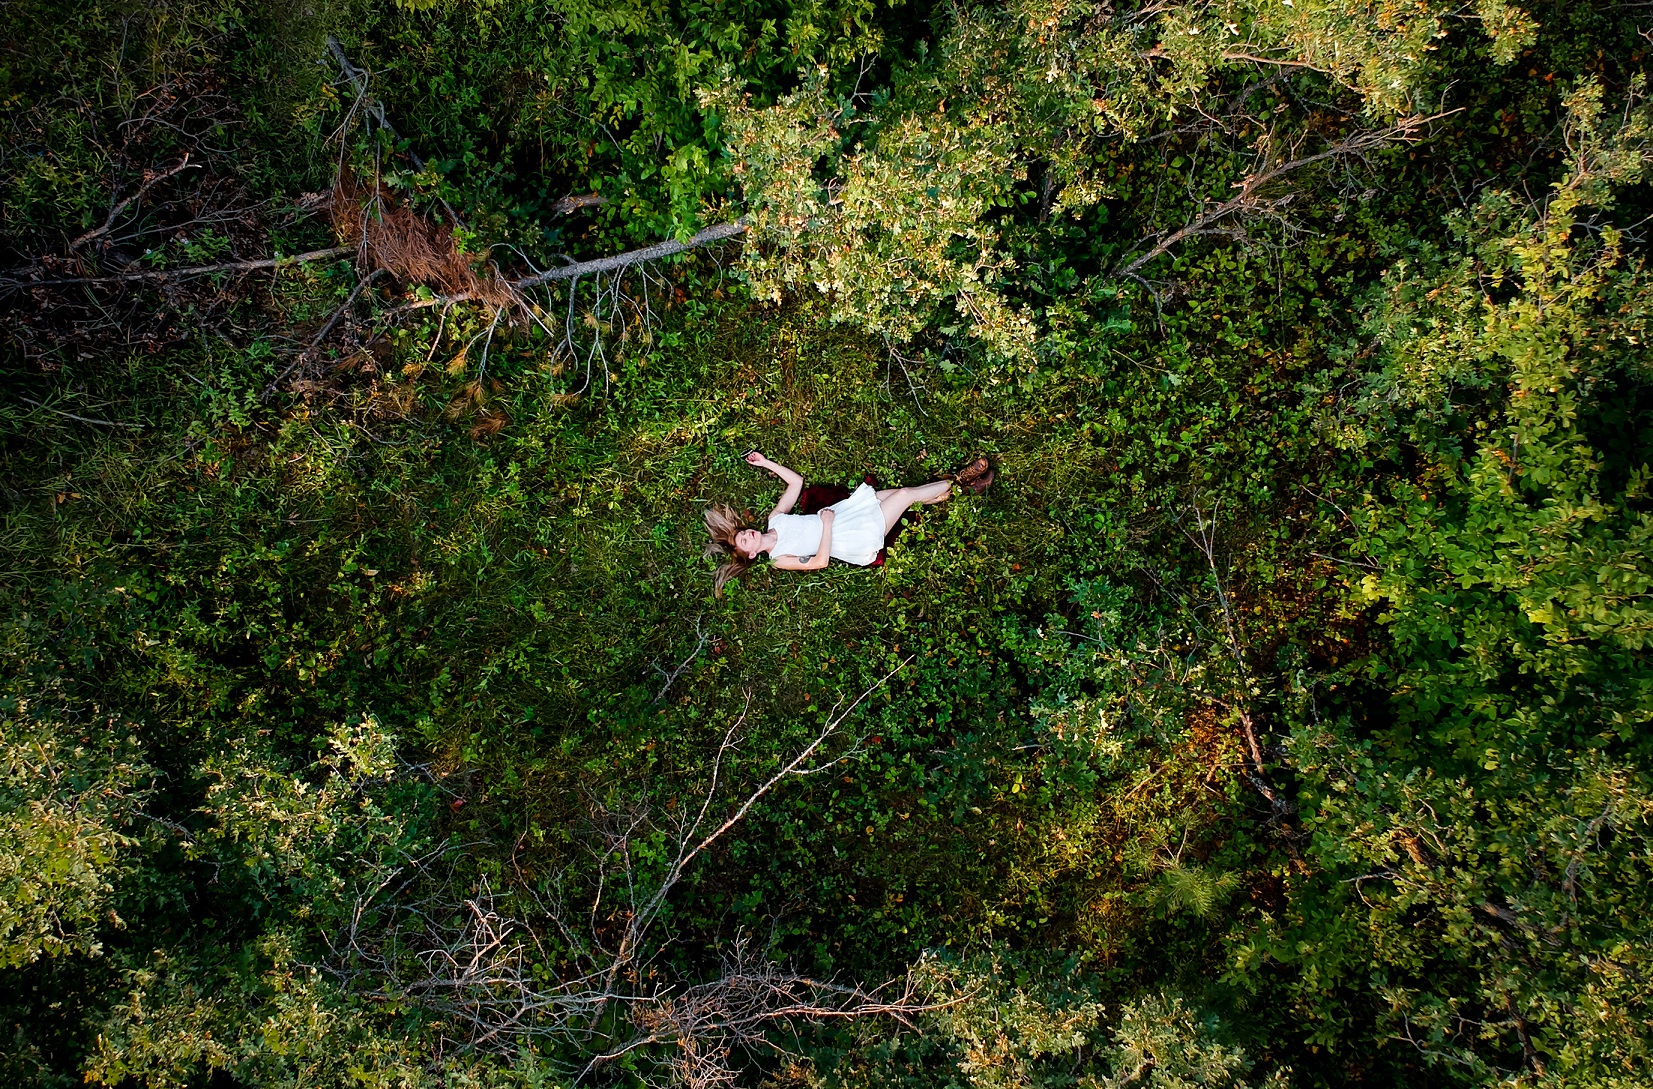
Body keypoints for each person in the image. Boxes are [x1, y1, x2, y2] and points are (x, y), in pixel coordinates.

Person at [704, 451, 993, 595]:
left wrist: (766, 463)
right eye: (745, 540)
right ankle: (961, 481)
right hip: (851, 535)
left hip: (846, 512)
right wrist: (826, 525)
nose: (749, 533)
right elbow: (819, 562)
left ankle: (958, 492)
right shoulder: (778, 559)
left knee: (902, 496)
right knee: (905, 495)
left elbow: (796, 483)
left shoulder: (775, 519)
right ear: (752, 553)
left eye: (744, 532)